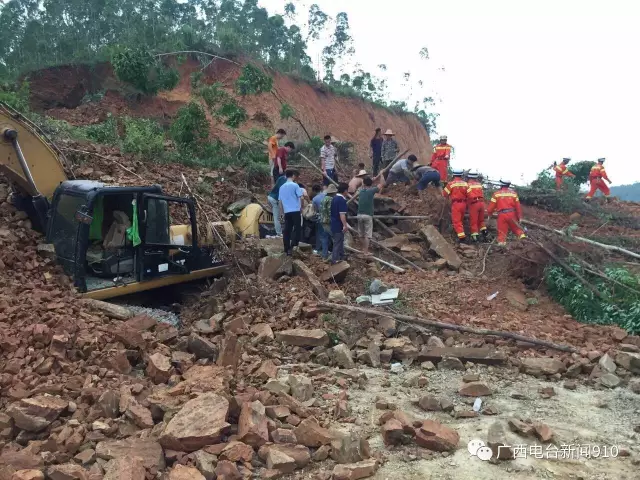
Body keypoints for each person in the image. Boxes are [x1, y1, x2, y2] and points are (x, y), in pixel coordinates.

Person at [487, 179, 526, 246]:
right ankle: (524, 239)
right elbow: (518, 207)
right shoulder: (514, 194)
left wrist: (489, 214)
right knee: (516, 228)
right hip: (512, 214)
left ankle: (502, 246)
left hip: (502, 215)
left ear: (501, 185)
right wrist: (520, 217)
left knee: (502, 232)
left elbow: (490, 208)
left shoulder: (496, 194)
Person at [278, 169, 307, 256]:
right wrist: (301, 208)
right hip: (295, 210)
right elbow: (301, 198)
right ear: (293, 176)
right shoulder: (295, 185)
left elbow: (280, 202)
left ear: (285, 176)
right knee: (297, 229)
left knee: (287, 230)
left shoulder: (281, 187)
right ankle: (293, 246)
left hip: (287, 211)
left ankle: (286, 249)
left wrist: (282, 213)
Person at [442, 169, 468, 242]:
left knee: (457, 222)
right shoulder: (465, 184)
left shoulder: (451, 184)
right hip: (464, 204)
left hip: (456, 204)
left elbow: (444, 194)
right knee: (460, 220)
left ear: (453, 175)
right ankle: (461, 234)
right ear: (461, 175)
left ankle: (462, 238)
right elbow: (469, 195)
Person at [357, 176, 379, 255]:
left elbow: (364, 184)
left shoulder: (360, 191)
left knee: (361, 234)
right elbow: (383, 184)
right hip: (368, 215)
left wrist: (370, 181)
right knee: (367, 235)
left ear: (363, 183)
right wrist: (381, 174)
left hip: (359, 215)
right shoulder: (372, 190)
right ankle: (365, 251)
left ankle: (364, 249)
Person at [330, 183, 349, 264]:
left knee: (340, 240)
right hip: (338, 224)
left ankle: (341, 255)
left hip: (333, 222)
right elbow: (342, 214)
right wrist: (345, 225)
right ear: (345, 191)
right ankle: (335, 259)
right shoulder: (341, 200)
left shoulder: (334, 198)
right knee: (337, 242)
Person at [466, 171, 487, 242]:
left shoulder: (467, 185)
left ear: (469, 177)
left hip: (474, 204)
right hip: (482, 203)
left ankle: (475, 238)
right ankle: (485, 234)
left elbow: (468, 196)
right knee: (481, 221)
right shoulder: (479, 184)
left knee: (473, 222)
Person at [319, 185, 337, 261]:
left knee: (324, 238)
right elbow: (330, 212)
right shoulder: (330, 200)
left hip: (322, 221)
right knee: (335, 238)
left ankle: (324, 255)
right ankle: (334, 256)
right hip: (329, 222)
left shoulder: (323, 199)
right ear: (333, 193)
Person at [311, 184, 326, 255]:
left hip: (321, 218)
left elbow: (315, 210)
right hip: (329, 217)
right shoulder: (326, 195)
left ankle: (318, 249)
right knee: (327, 234)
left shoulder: (314, 199)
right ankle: (326, 250)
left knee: (320, 234)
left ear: (314, 191)